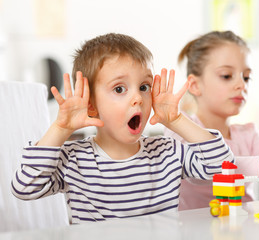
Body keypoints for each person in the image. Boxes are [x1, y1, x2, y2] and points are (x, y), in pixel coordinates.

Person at [11, 33, 234, 224]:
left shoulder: (169, 151)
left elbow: (222, 166)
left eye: (144, 87)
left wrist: (177, 120)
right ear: (91, 104)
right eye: (119, 89)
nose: (137, 97)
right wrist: (61, 128)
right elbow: (24, 187)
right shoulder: (74, 159)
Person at [163, 31, 259, 210]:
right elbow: (204, 170)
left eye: (246, 77)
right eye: (226, 76)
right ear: (195, 85)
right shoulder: (178, 127)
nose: (242, 85)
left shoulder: (248, 134)